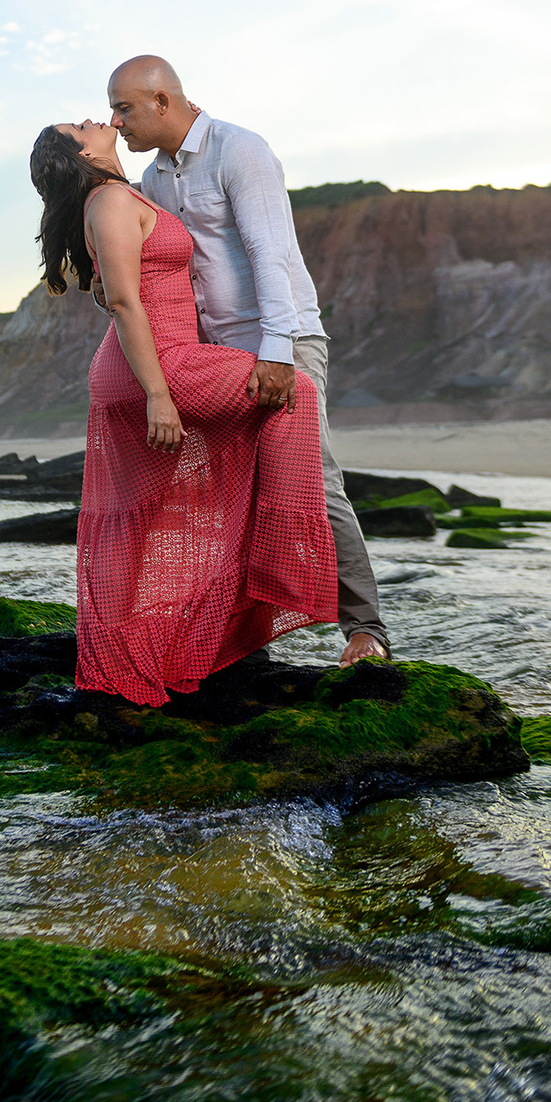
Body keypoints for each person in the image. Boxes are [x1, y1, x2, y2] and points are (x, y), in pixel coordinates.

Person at [29, 118, 339, 708]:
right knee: (290, 391)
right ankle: (270, 574)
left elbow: (117, 288)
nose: (98, 119)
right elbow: (122, 300)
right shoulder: (113, 198)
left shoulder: (122, 194)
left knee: (150, 520)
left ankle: (187, 635)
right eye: (82, 124)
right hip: (161, 366)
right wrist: (158, 395)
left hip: (161, 362)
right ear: (82, 151)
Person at [106, 54, 390, 667]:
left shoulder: (240, 150)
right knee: (226, 489)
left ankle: (366, 630)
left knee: (314, 478)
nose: (117, 120)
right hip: (212, 355)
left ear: (162, 100)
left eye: (124, 107)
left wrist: (278, 351)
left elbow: (270, 251)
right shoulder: (153, 180)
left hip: (279, 341)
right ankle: (236, 638)